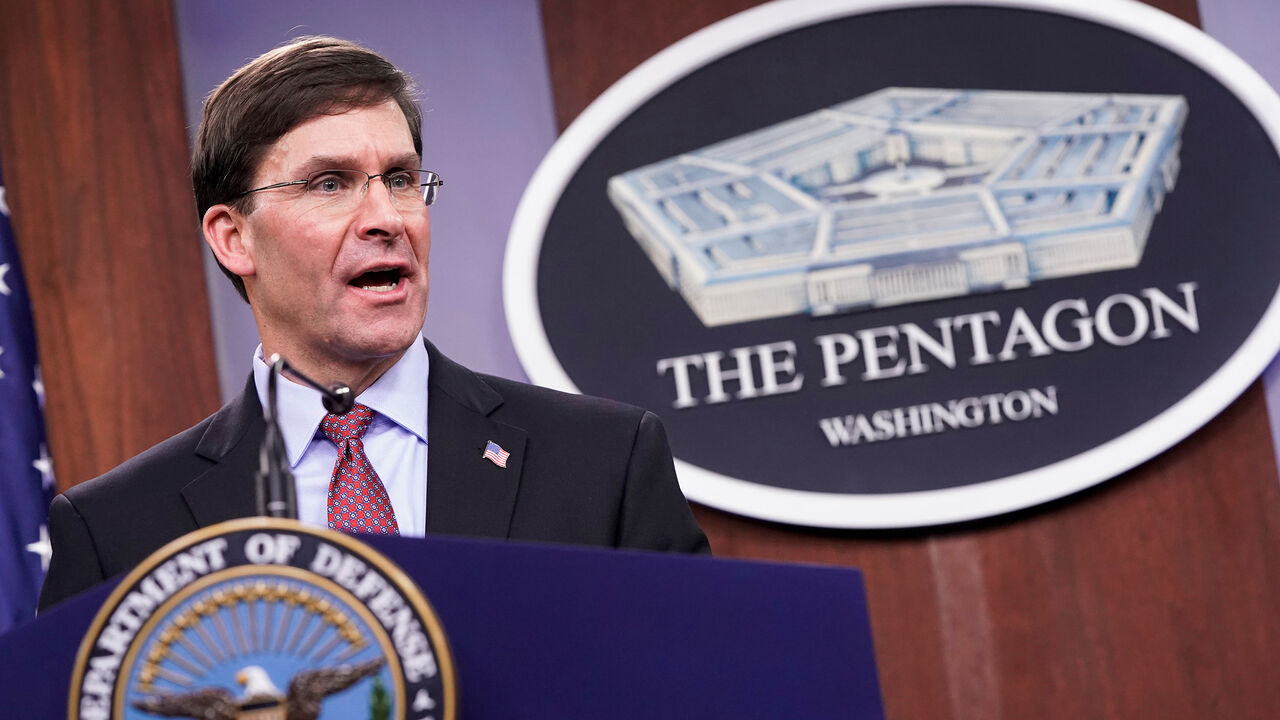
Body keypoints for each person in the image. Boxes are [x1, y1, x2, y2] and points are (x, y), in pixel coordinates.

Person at [38, 36, 708, 611]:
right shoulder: (116, 531)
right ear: (233, 237)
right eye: (330, 183)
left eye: (401, 178)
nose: (387, 217)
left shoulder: (603, 464)